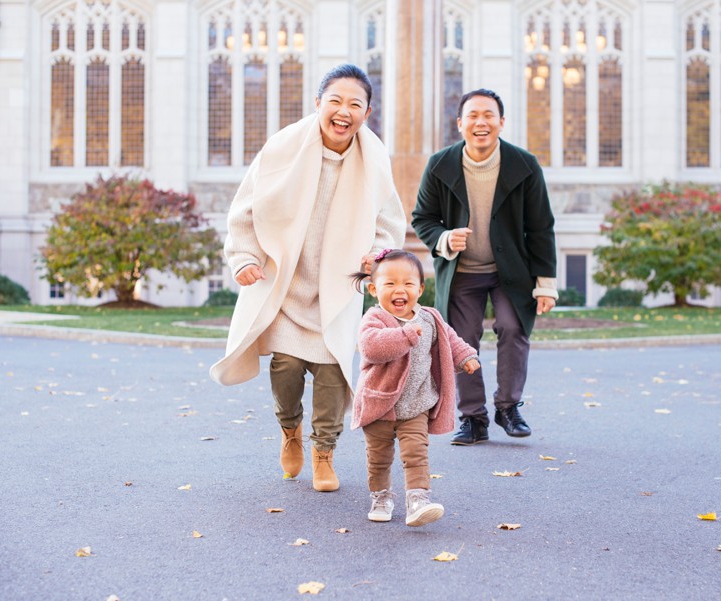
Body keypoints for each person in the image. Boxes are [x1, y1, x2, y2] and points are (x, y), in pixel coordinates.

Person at [210, 64, 406, 491]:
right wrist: (244, 258)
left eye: (354, 104)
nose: (343, 111)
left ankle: (324, 453)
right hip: (286, 284)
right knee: (286, 367)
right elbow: (245, 209)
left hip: (338, 286)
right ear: (318, 103)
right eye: (335, 101)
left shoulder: (374, 160)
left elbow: (389, 222)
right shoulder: (282, 148)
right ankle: (289, 430)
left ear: (367, 112)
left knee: (333, 372)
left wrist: (377, 256)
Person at [411, 88, 557, 446]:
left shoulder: (524, 165)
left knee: (513, 326)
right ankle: (473, 418)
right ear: (460, 123)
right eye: (473, 115)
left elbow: (540, 226)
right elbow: (423, 218)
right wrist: (445, 238)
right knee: (462, 341)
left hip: (511, 271)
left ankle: (508, 407)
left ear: (501, 122)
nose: (481, 122)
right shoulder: (440, 165)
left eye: (489, 115)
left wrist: (545, 283)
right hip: (462, 271)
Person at [350, 249, 479, 526]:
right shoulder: (374, 319)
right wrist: (404, 335)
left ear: (420, 289)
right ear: (373, 289)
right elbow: (372, 347)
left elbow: (449, 339)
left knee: (416, 453)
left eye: (408, 283)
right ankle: (381, 496)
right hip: (378, 404)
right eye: (390, 283)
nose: (400, 290)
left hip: (416, 403)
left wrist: (465, 356)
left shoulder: (430, 318)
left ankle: (418, 500)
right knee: (379, 458)